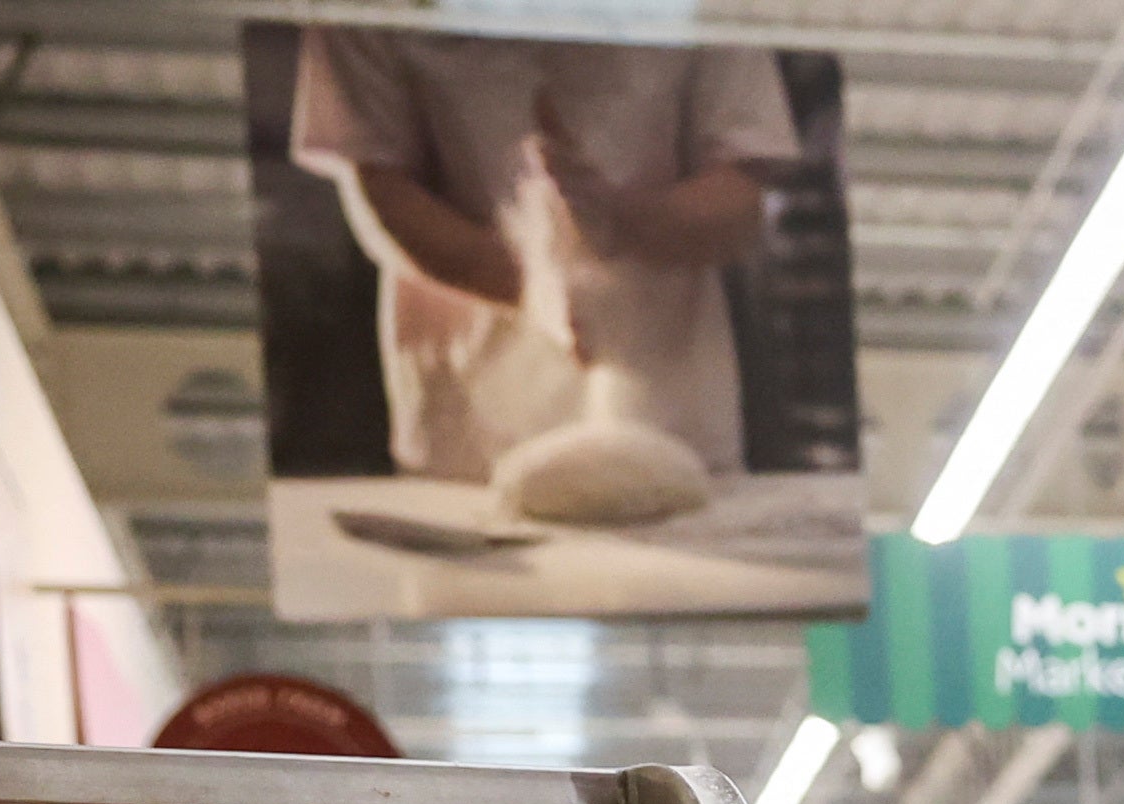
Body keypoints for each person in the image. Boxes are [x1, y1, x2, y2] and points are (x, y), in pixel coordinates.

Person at [285, 28, 790, 483]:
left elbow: (740, 189)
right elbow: (380, 181)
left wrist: (621, 223)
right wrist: (528, 285)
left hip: (677, 421)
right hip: (470, 436)